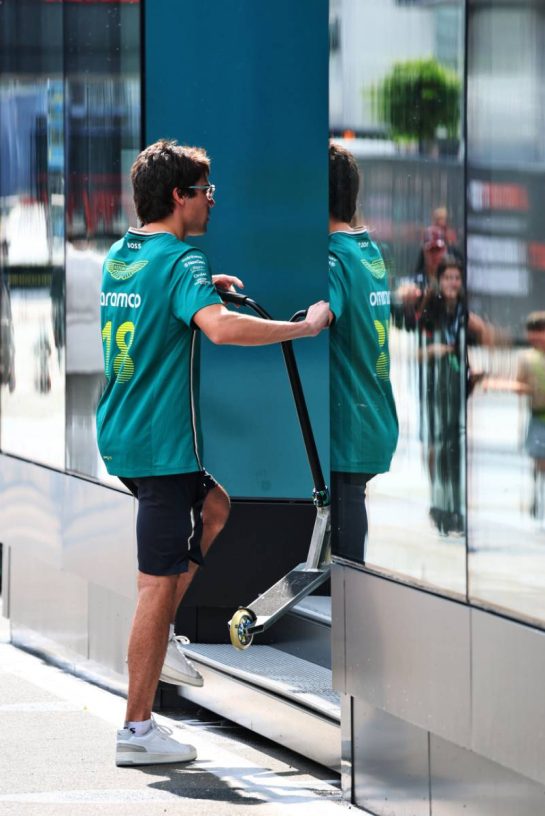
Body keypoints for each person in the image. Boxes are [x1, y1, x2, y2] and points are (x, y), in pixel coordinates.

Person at [96, 139, 330, 767]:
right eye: (206, 190)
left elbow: (164, 298)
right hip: (159, 448)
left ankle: (163, 637)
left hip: (122, 436)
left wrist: (207, 285)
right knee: (155, 584)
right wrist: (301, 328)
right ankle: (137, 730)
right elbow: (221, 329)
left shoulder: (125, 253)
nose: (211, 201)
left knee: (217, 506)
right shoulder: (181, 262)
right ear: (180, 196)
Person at [328, 142, 399, 561]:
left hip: (350, 428)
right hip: (373, 416)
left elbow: (324, 315)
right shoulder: (367, 251)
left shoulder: (333, 259)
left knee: (346, 545)